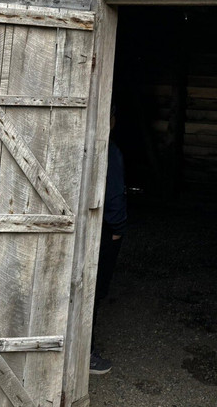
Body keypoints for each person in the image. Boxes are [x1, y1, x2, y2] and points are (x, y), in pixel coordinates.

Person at [90, 109, 126, 375]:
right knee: (93, 290)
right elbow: (114, 194)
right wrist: (117, 228)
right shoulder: (108, 151)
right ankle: (85, 354)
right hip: (99, 231)